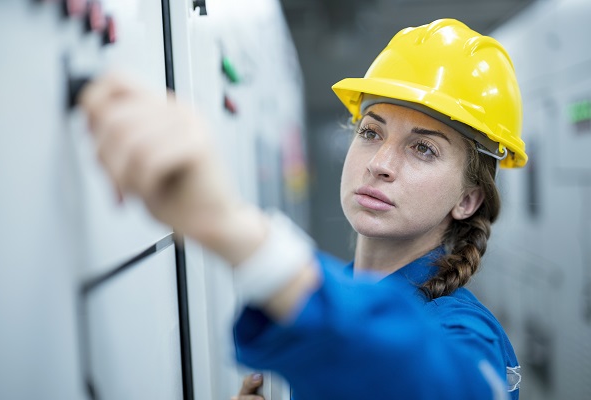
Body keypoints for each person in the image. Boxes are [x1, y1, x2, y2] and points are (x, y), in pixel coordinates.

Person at [82, 19, 525, 400]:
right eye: (371, 132)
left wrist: (233, 229)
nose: (380, 164)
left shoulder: (464, 331)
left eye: (423, 148)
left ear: (468, 200)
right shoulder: (343, 291)